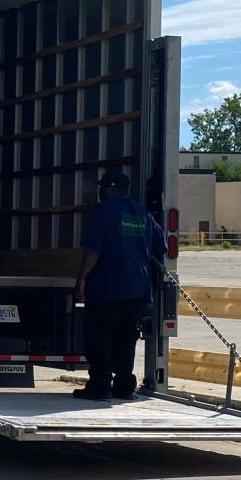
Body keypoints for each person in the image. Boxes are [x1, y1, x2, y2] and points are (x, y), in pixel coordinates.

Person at [74, 168, 167, 401]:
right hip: (137, 289)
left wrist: (82, 279)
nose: (99, 192)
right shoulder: (142, 212)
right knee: (127, 339)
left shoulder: (103, 211)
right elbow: (161, 247)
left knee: (100, 338)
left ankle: (99, 386)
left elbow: (94, 250)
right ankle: (124, 386)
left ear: (111, 188)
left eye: (102, 188)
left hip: (107, 287)